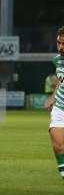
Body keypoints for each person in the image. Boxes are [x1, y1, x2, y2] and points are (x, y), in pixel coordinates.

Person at [46, 26, 64, 180]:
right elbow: (61, 79)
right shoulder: (57, 60)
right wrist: (53, 96)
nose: (61, 47)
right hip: (60, 107)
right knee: (58, 146)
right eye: (59, 43)